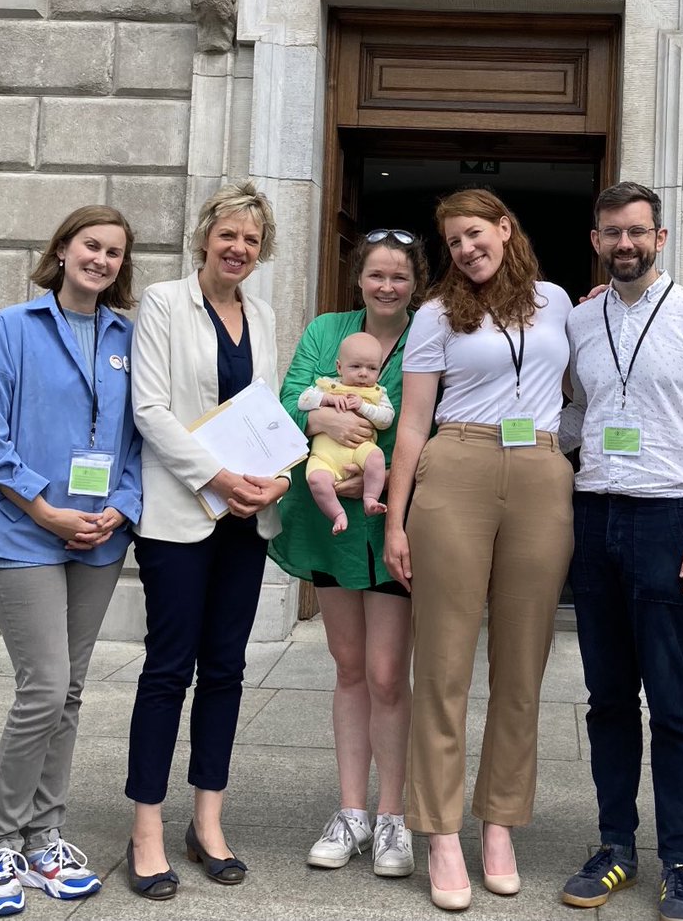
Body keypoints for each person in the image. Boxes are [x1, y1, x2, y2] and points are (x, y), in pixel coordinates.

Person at [384, 189, 575, 912]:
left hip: (540, 473)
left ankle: (498, 824)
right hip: (456, 466)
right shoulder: (435, 314)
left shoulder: (559, 302)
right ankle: (437, 831)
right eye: (453, 241)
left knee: (522, 664)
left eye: (475, 233)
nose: (466, 248)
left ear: (504, 228)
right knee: (442, 664)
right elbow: (411, 423)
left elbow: (588, 384)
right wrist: (396, 521)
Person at [559, 181, 683, 921]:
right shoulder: (577, 321)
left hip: (671, 518)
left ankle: (680, 861)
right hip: (595, 512)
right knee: (607, 698)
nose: (625, 244)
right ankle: (615, 845)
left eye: (638, 232)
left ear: (659, 238)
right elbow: (576, 412)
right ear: (596, 240)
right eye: (612, 233)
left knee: (673, 703)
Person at [0, 206, 141, 917]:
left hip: (99, 534)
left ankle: (46, 836)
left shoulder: (129, 336)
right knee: (44, 685)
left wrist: (119, 509)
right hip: (22, 532)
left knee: (68, 690)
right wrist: (44, 508)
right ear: (63, 250)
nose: (101, 259)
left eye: (115, 252)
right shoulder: (14, 327)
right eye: (91, 246)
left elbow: (138, 439)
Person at [124, 181, 294, 900]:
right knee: (169, 668)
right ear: (204, 238)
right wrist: (220, 477)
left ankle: (208, 821)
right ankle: (146, 830)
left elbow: (269, 410)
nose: (239, 248)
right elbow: (150, 409)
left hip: (246, 519)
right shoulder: (165, 302)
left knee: (226, 667)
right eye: (229, 235)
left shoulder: (262, 312)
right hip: (180, 514)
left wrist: (276, 479)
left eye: (252, 240)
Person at [270, 229, 427, 879]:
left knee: (390, 672)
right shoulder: (326, 329)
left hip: (394, 523)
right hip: (328, 522)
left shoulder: (431, 333)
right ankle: (352, 811)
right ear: (358, 278)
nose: (386, 285)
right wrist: (324, 422)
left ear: (416, 281)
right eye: (375, 275)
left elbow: (432, 420)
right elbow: (287, 400)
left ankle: (393, 816)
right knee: (350, 664)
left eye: (399, 275)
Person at [299, 330, 395, 531]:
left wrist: (363, 407)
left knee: (376, 458)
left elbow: (386, 419)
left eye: (372, 368)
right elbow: (302, 401)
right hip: (324, 456)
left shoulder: (377, 393)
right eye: (355, 366)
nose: (363, 373)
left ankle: (370, 498)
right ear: (339, 367)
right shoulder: (328, 386)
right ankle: (337, 514)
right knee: (316, 479)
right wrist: (327, 400)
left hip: (359, 451)